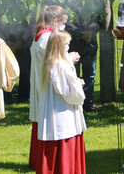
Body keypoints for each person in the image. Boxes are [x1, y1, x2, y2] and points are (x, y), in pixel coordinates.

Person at [29, 5, 73, 170]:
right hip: (49, 87)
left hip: (43, 84)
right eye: (62, 23)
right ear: (55, 21)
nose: (63, 27)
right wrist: (70, 58)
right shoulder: (47, 37)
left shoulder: (41, 35)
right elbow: (55, 63)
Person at [37, 30, 87, 173]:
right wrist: (78, 85)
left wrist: (75, 83)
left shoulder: (49, 62)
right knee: (64, 145)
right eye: (66, 44)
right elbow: (66, 91)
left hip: (53, 109)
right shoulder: (60, 65)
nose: (68, 47)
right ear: (59, 46)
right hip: (62, 111)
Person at [64, 7, 100, 112]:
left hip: (90, 44)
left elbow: (98, 18)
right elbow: (66, 22)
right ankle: (74, 103)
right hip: (73, 43)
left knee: (90, 76)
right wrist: (79, 34)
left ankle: (87, 103)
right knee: (73, 75)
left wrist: (91, 33)